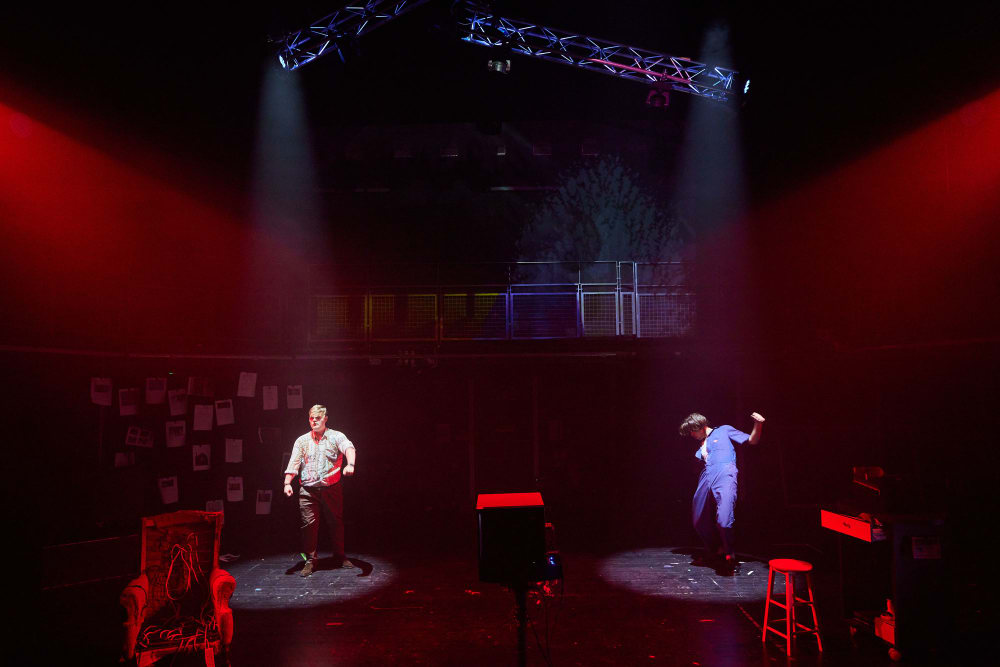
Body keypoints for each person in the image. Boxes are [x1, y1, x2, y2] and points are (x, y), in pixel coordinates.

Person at [679, 411, 764, 568]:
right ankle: (714, 549)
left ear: (701, 426)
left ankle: (728, 551)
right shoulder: (702, 444)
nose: (691, 434)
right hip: (706, 475)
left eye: (692, 431)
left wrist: (758, 424)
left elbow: (752, 440)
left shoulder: (724, 430)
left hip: (724, 472)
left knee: (724, 520)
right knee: (698, 520)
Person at [284, 404, 357, 577]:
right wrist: (287, 483)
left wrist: (351, 464)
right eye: (311, 418)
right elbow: (294, 462)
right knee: (308, 525)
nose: (314, 421)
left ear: (325, 418)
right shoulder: (301, 440)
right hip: (308, 489)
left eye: (318, 418)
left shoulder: (336, 436)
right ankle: (310, 559)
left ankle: (340, 555)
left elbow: (349, 447)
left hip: (331, 488)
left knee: (335, 522)